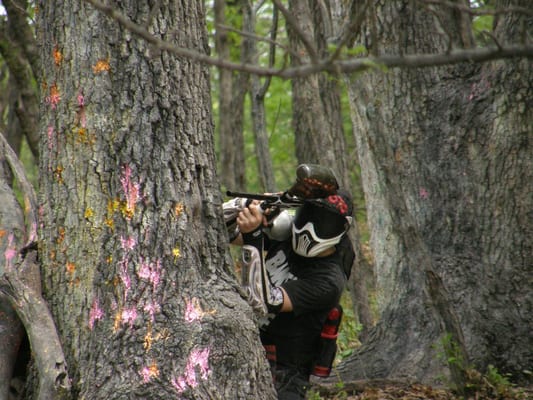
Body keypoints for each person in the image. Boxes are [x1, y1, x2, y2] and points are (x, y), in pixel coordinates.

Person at [230, 187, 355, 399]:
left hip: (286, 372)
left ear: (341, 228)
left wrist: (254, 237)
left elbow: (261, 301)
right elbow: (224, 230)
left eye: (323, 221)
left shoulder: (328, 280)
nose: (311, 226)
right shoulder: (287, 234)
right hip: (247, 346)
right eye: (309, 214)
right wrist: (249, 206)